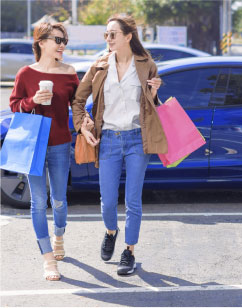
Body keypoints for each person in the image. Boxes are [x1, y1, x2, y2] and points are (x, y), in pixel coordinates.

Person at [71, 14, 166, 275]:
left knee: (133, 200)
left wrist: (154, 95)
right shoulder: (99, 65)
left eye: (113, 34)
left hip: (138, 138)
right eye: (106, 34)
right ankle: (111, 231)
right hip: (109, 139)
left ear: (128, 36)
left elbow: (152, 107)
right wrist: (83, 126)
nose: (108, 39)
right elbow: (78, 101)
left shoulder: (146, 65)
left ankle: (129, 251)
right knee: (108, 200)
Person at [9, 23, 79, 281]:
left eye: (65, 41)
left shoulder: (70, 73)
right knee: (38, 202)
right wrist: (32, 101)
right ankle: (48, 259)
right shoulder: (25, 74)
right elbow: (15, 106)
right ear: (41, 42)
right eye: (58, 39)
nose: (62, 44)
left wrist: (88, 122)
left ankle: (58, 234)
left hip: (61, 144)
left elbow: (78, 106)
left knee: (59, 200)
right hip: (33, 144)